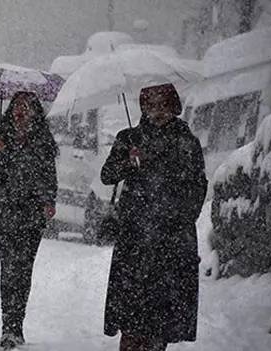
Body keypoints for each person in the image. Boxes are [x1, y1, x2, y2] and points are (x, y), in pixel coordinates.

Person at [100, 83, 207, 351]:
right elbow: (107, 175)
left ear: (174, 107)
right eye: (152, 105)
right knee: (131, 310)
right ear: (143, 108)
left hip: (171, 240)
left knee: (162, 315)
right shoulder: (129, 138)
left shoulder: (186, 141)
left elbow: (198, 185)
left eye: (163, 105)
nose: (158, 111)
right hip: (135, 238)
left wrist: (181, 217)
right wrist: (128, 162)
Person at [0, 91, 58, 349]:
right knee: (9, 267)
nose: (21, 112)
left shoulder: (43, 142)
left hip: (31, 216)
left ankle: (16, 325)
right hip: (2, 213)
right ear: (10, 110)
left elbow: (48, 177)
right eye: (17, 107)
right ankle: (8, 328)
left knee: (23, 270)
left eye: (27, 107)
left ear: (36, 112)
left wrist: (48, 201)